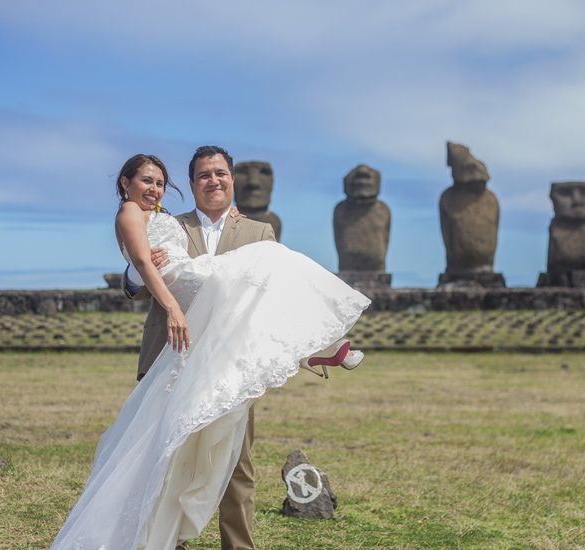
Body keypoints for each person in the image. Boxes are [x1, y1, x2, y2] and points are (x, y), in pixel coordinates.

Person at [51, 148, 369, 550]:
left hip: (230, 368)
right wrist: (139, 265)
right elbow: (136, 282)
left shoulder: (259, 232)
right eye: (203, 175)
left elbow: (274, 306)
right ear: (194, 183)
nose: (213, 181)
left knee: (236, 466)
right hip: (174, 357)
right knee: (162, 463)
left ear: (231, 179)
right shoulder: (170, 224)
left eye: (220, 173)